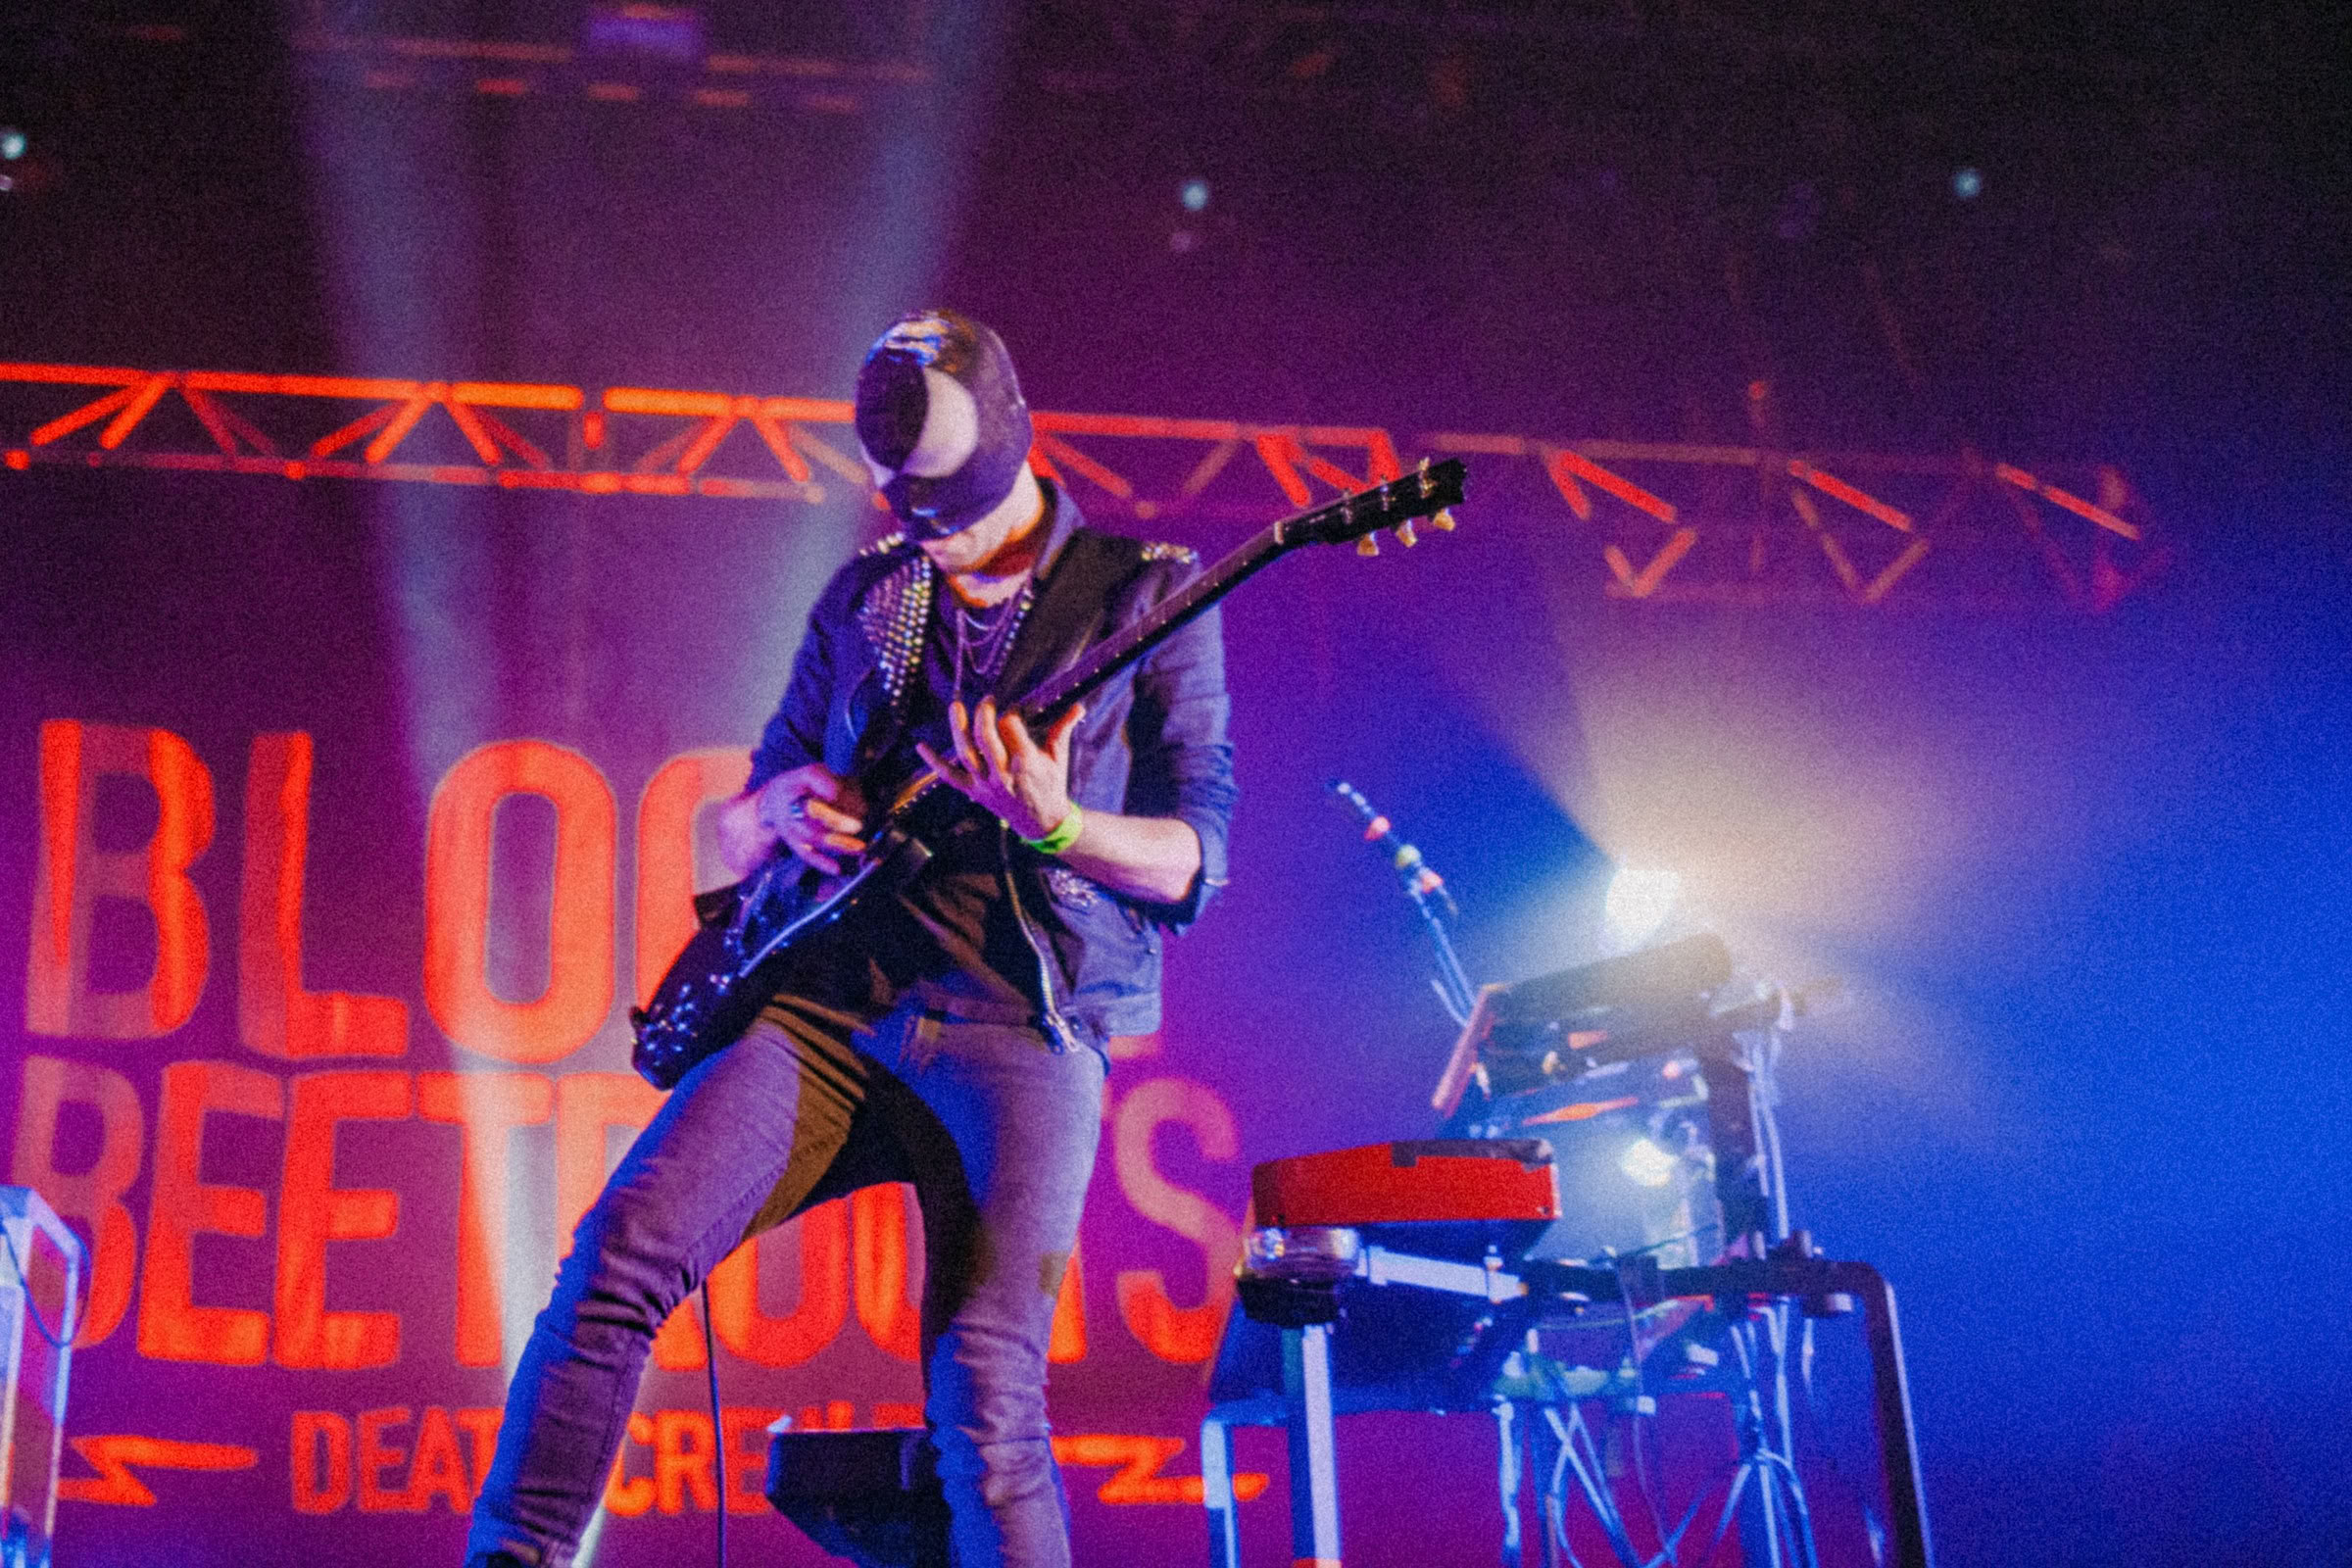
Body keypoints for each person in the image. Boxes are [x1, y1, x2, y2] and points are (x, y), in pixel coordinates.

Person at [463, 310, 1236, 1568]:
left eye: (959, 513)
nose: (940, 540)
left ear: (1018, 448)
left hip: (1025, 1030)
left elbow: (1196, 858)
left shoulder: (1143, 593)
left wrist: (1057, 823)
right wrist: (776, 812)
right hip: (834, 1012)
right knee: (612, 1264)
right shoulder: (872, 593)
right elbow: (739, 822)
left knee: (986, 1396)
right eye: (913, 512)